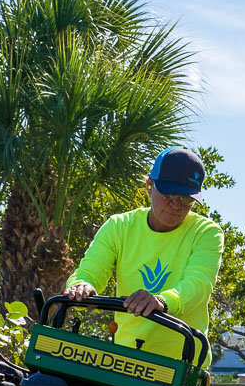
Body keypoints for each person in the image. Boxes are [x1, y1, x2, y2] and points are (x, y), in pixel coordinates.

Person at [65, 146, 223, 362]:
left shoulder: (206, 233)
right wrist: (82, 284)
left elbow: (198, 285)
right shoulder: (119, 226)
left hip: (184, 365)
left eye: (186, 198)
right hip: (125, 360)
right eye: (168, 194)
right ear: (149, 186)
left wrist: (161, 301)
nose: (177, 205)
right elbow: (90, 271)